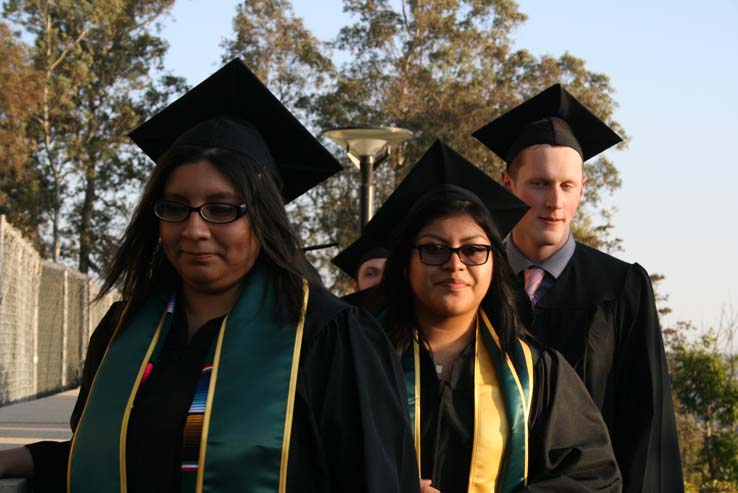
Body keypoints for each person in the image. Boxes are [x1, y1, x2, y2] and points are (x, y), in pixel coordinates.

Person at [0, 59, 418, 493]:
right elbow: (116, 456)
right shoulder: (124, 333)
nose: (194, 229)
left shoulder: (327, 337)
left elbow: (372, 477)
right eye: (176, 207)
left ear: (263, 218)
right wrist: (14, 459)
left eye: (222, 209)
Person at [356, 140, 622, 492]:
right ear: (405, 264)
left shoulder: (538, 373)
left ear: (495, 263)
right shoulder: (354, 361)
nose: (455, 265)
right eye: (434, 249)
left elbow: (594, 479)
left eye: (473, 250)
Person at [473, 84, 683, 493]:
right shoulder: (475, 280)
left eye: (567, 186)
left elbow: (646, 422)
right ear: (506, 183)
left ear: (582, 188)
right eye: (539, 183)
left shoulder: (621, 288)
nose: (554, 202)